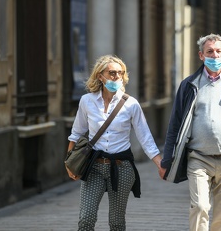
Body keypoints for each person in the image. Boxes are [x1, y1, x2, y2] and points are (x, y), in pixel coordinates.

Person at [159, 34, 221, 231]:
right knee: (200, 206)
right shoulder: (189, 85)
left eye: (218, 51)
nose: (214, 55)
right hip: (198, 158)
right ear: (201, 55)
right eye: (209, 51)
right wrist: (166, 160)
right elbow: (175, 125)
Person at [66, 55, 163, 230]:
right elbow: (76, 133)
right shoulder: (87, 101)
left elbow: (145, 137)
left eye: (120, 73)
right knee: (86, 219)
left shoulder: (131, 104)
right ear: (100, 76)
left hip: (122, 167)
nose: (116, 77)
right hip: (93, 167)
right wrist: (69, 163)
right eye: (111, 73)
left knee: (117, 222)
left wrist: (159, 163)